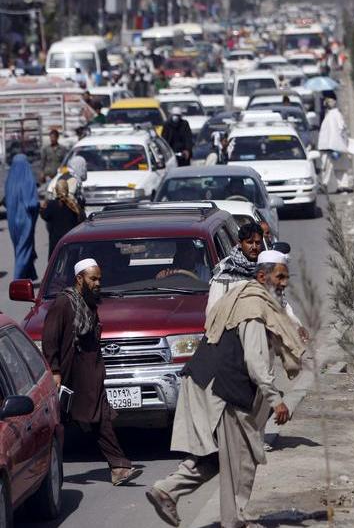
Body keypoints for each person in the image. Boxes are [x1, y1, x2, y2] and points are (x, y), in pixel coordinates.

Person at [146, 251, 305, 528]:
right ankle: (235, 520)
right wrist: (275, 399)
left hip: (208, 382)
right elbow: (255, 362)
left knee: (216, 457)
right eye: (279, 277)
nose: (283, 283)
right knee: (242, 458)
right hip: (224, 389)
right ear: (261, 276)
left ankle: (167, 490)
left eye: (286, 278)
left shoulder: (243, 296)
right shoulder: (254, 307)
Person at [42, 259, 141, 485]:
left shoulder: (89, 301)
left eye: (99, 279)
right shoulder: (63, 303)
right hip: (73, 372)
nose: (97, 283)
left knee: (100, 416)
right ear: (79, 279)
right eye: (92, 279)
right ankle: (117, 466)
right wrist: (55, 371)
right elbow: (50, 340)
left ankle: (119, 467)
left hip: (91, 370)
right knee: (72, 421)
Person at [206, 223, 264, 315]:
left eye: (257, 243)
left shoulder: (266, 268)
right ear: (240, 243)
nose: (254, 247)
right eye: (249, 242)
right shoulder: (226, 270)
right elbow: (213, 310)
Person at [5, 154, 39, 280]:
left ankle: (29, 275)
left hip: (12, 221)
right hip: (25, 220)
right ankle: (18, 280)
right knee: (23, 249)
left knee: (18, 248)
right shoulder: (27, 178)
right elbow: (31, 203)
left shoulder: (10, 180)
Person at [40, 178, 85, 257]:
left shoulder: (51, 205)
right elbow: (82, 218)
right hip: (71, 242)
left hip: (56, 244)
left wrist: (42, 208)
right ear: (67, 189)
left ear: (56, 190)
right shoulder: (73, 205)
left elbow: (44, 215)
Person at [317, 97, 352, 193]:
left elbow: (341, 128)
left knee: (329, 166)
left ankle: (326, 184)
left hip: (333, 145)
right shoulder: (330, 114)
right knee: (339, 166)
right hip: (335, 145)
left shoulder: (335, 114)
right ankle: (342, 185)